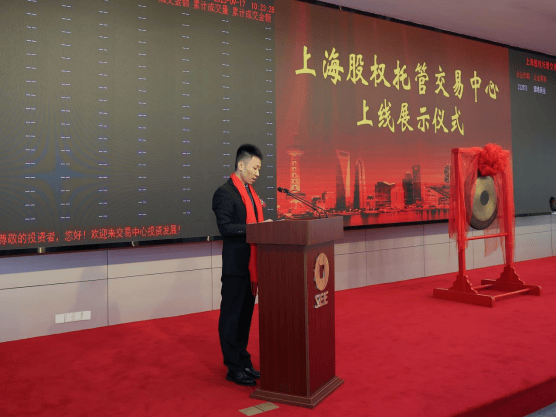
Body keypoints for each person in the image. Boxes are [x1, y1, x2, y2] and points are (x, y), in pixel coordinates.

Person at [212, 144, 269, 386]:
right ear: (241, 165)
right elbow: (225, 228)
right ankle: (233, 367)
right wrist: (257, 228)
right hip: (236, 267)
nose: (257, 173)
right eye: (254, 168)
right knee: (232, 317)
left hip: (251, 267)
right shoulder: (225, 193)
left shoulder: (251, 194)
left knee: (245, 317)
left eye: (259, 169)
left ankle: (244, 361)